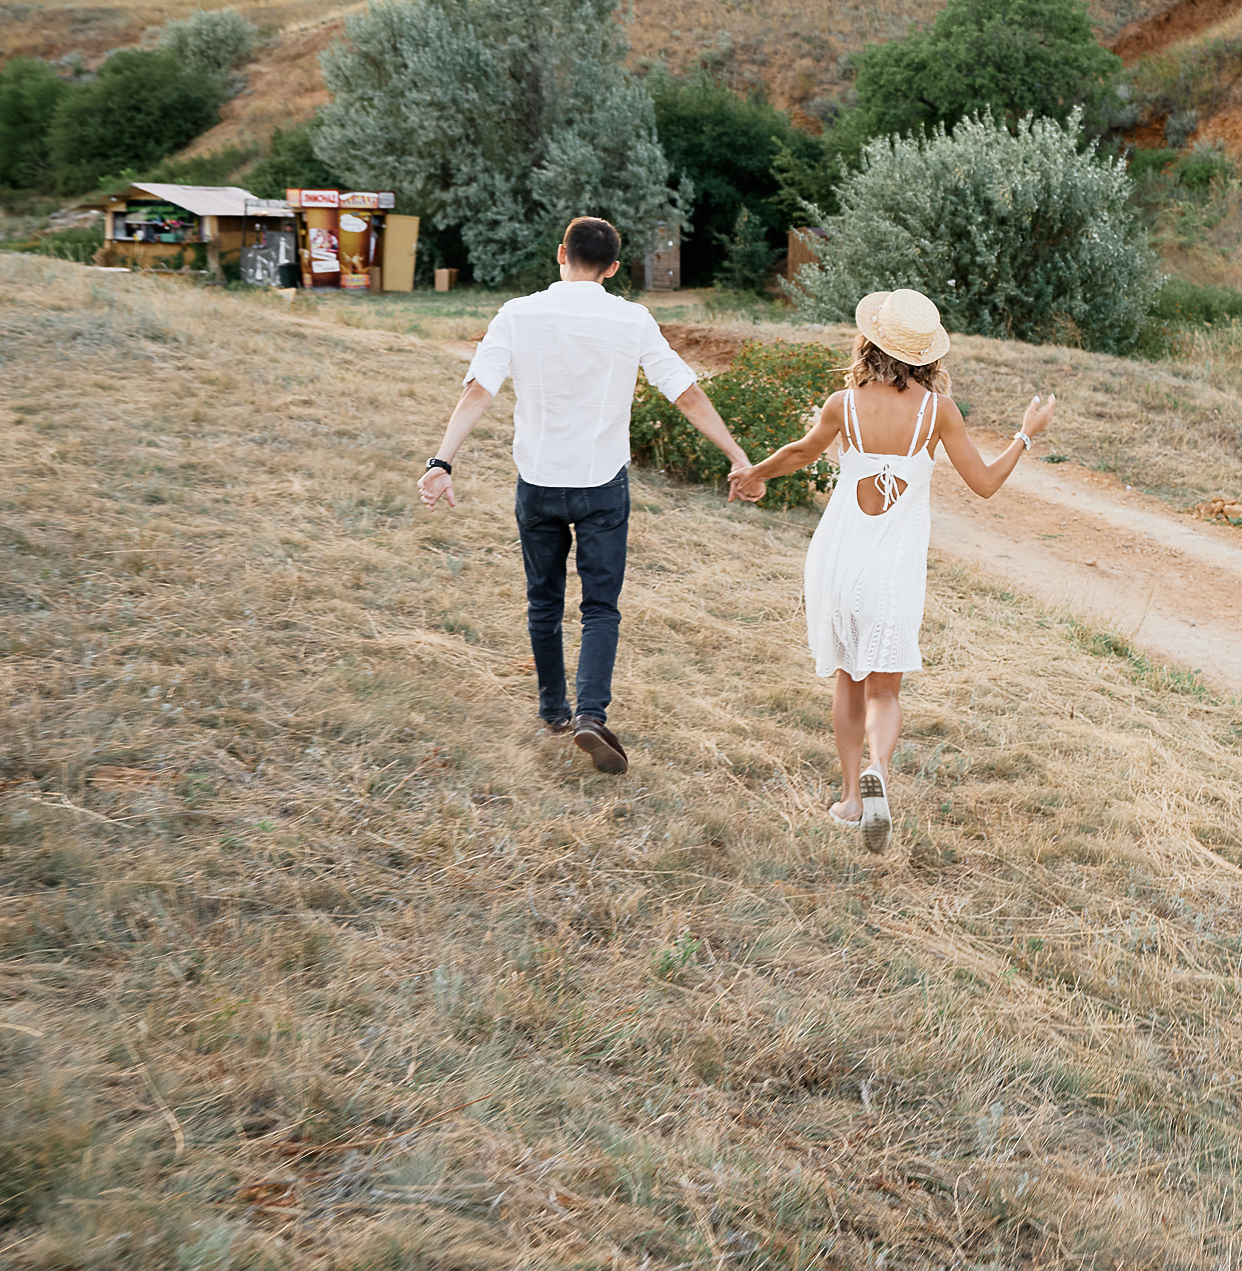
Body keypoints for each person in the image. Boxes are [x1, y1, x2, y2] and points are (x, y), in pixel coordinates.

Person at [417, 216, 752, 774]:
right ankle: (591, 715)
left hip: (538, 482)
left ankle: (553, 710)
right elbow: (686, 394)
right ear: (614, 268)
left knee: (543, 600)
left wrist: (441, 460)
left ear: (560, 255)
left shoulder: (517, 314)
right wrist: (737, 456)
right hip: (601, 484)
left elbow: (479, 390)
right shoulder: (632, 319)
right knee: (600, 607)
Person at [731, 289, 1055, 853]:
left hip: (839, 556)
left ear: (870, 343)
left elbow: (800, 452)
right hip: (892, 566)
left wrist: (754, 475)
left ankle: (853, 798)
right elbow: (984, 484)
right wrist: (1025, 434)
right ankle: (880, 766)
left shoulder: (843, 404)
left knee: (847, 681)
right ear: (928, 354)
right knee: (885, 690)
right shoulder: (937, 412)